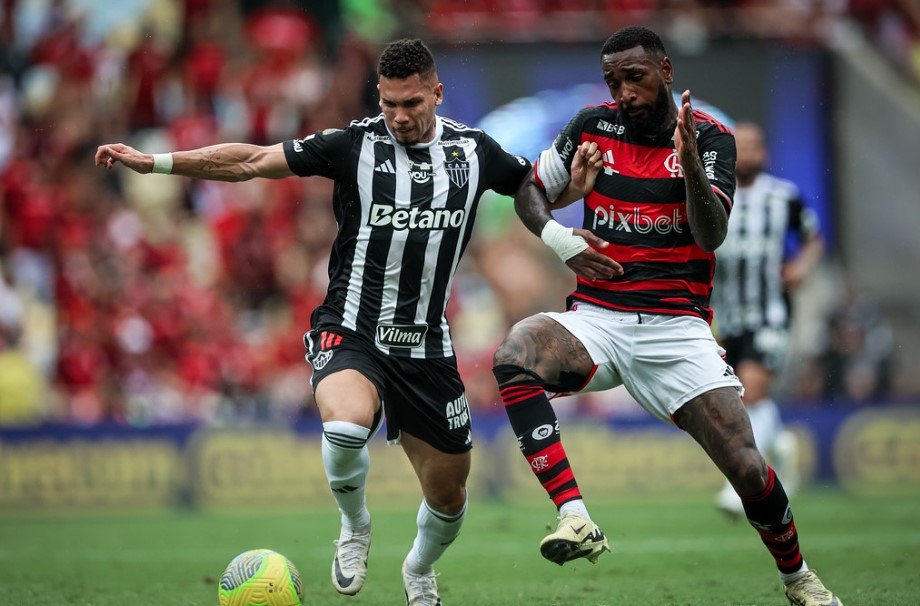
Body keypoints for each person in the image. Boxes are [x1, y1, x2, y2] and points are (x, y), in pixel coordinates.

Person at [96, 38, 600, 605]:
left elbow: (531, 188)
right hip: (351, 326)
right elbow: (252, 160)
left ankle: (418, 567)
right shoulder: (353, 144)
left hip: (427, 345)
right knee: (344, 425)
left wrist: (569, 191)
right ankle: (355, 525)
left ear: (436, 93)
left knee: (450, 498)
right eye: (389, 104)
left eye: (411, 103)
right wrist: (157, 163)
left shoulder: (474, 151)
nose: (400, 117)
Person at [491, 26, 842, 606]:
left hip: (676, 328)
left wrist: (691, 169)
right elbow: (530, 189)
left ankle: (798, 578)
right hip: (598, 318)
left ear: (666, 71)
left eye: (634, 77)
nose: (623, 92)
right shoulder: (590, 127)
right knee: (516, 353)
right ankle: (575, 515)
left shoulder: (711, 140)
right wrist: (559, 237)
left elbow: (712, 233)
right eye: (613, 80)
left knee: (748, 469)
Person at [710, 122, 824, 519]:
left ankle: (736, 484)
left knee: (753, 389)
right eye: (741, 146)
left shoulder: (784, 197)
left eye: (756, 145)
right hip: (726, 316)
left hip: (770, 312)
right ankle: (780, 450)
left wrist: (802, 265)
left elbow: (813, 237)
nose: (749, 152)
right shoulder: (715, 197)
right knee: (737, 400)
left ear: (765, 153)